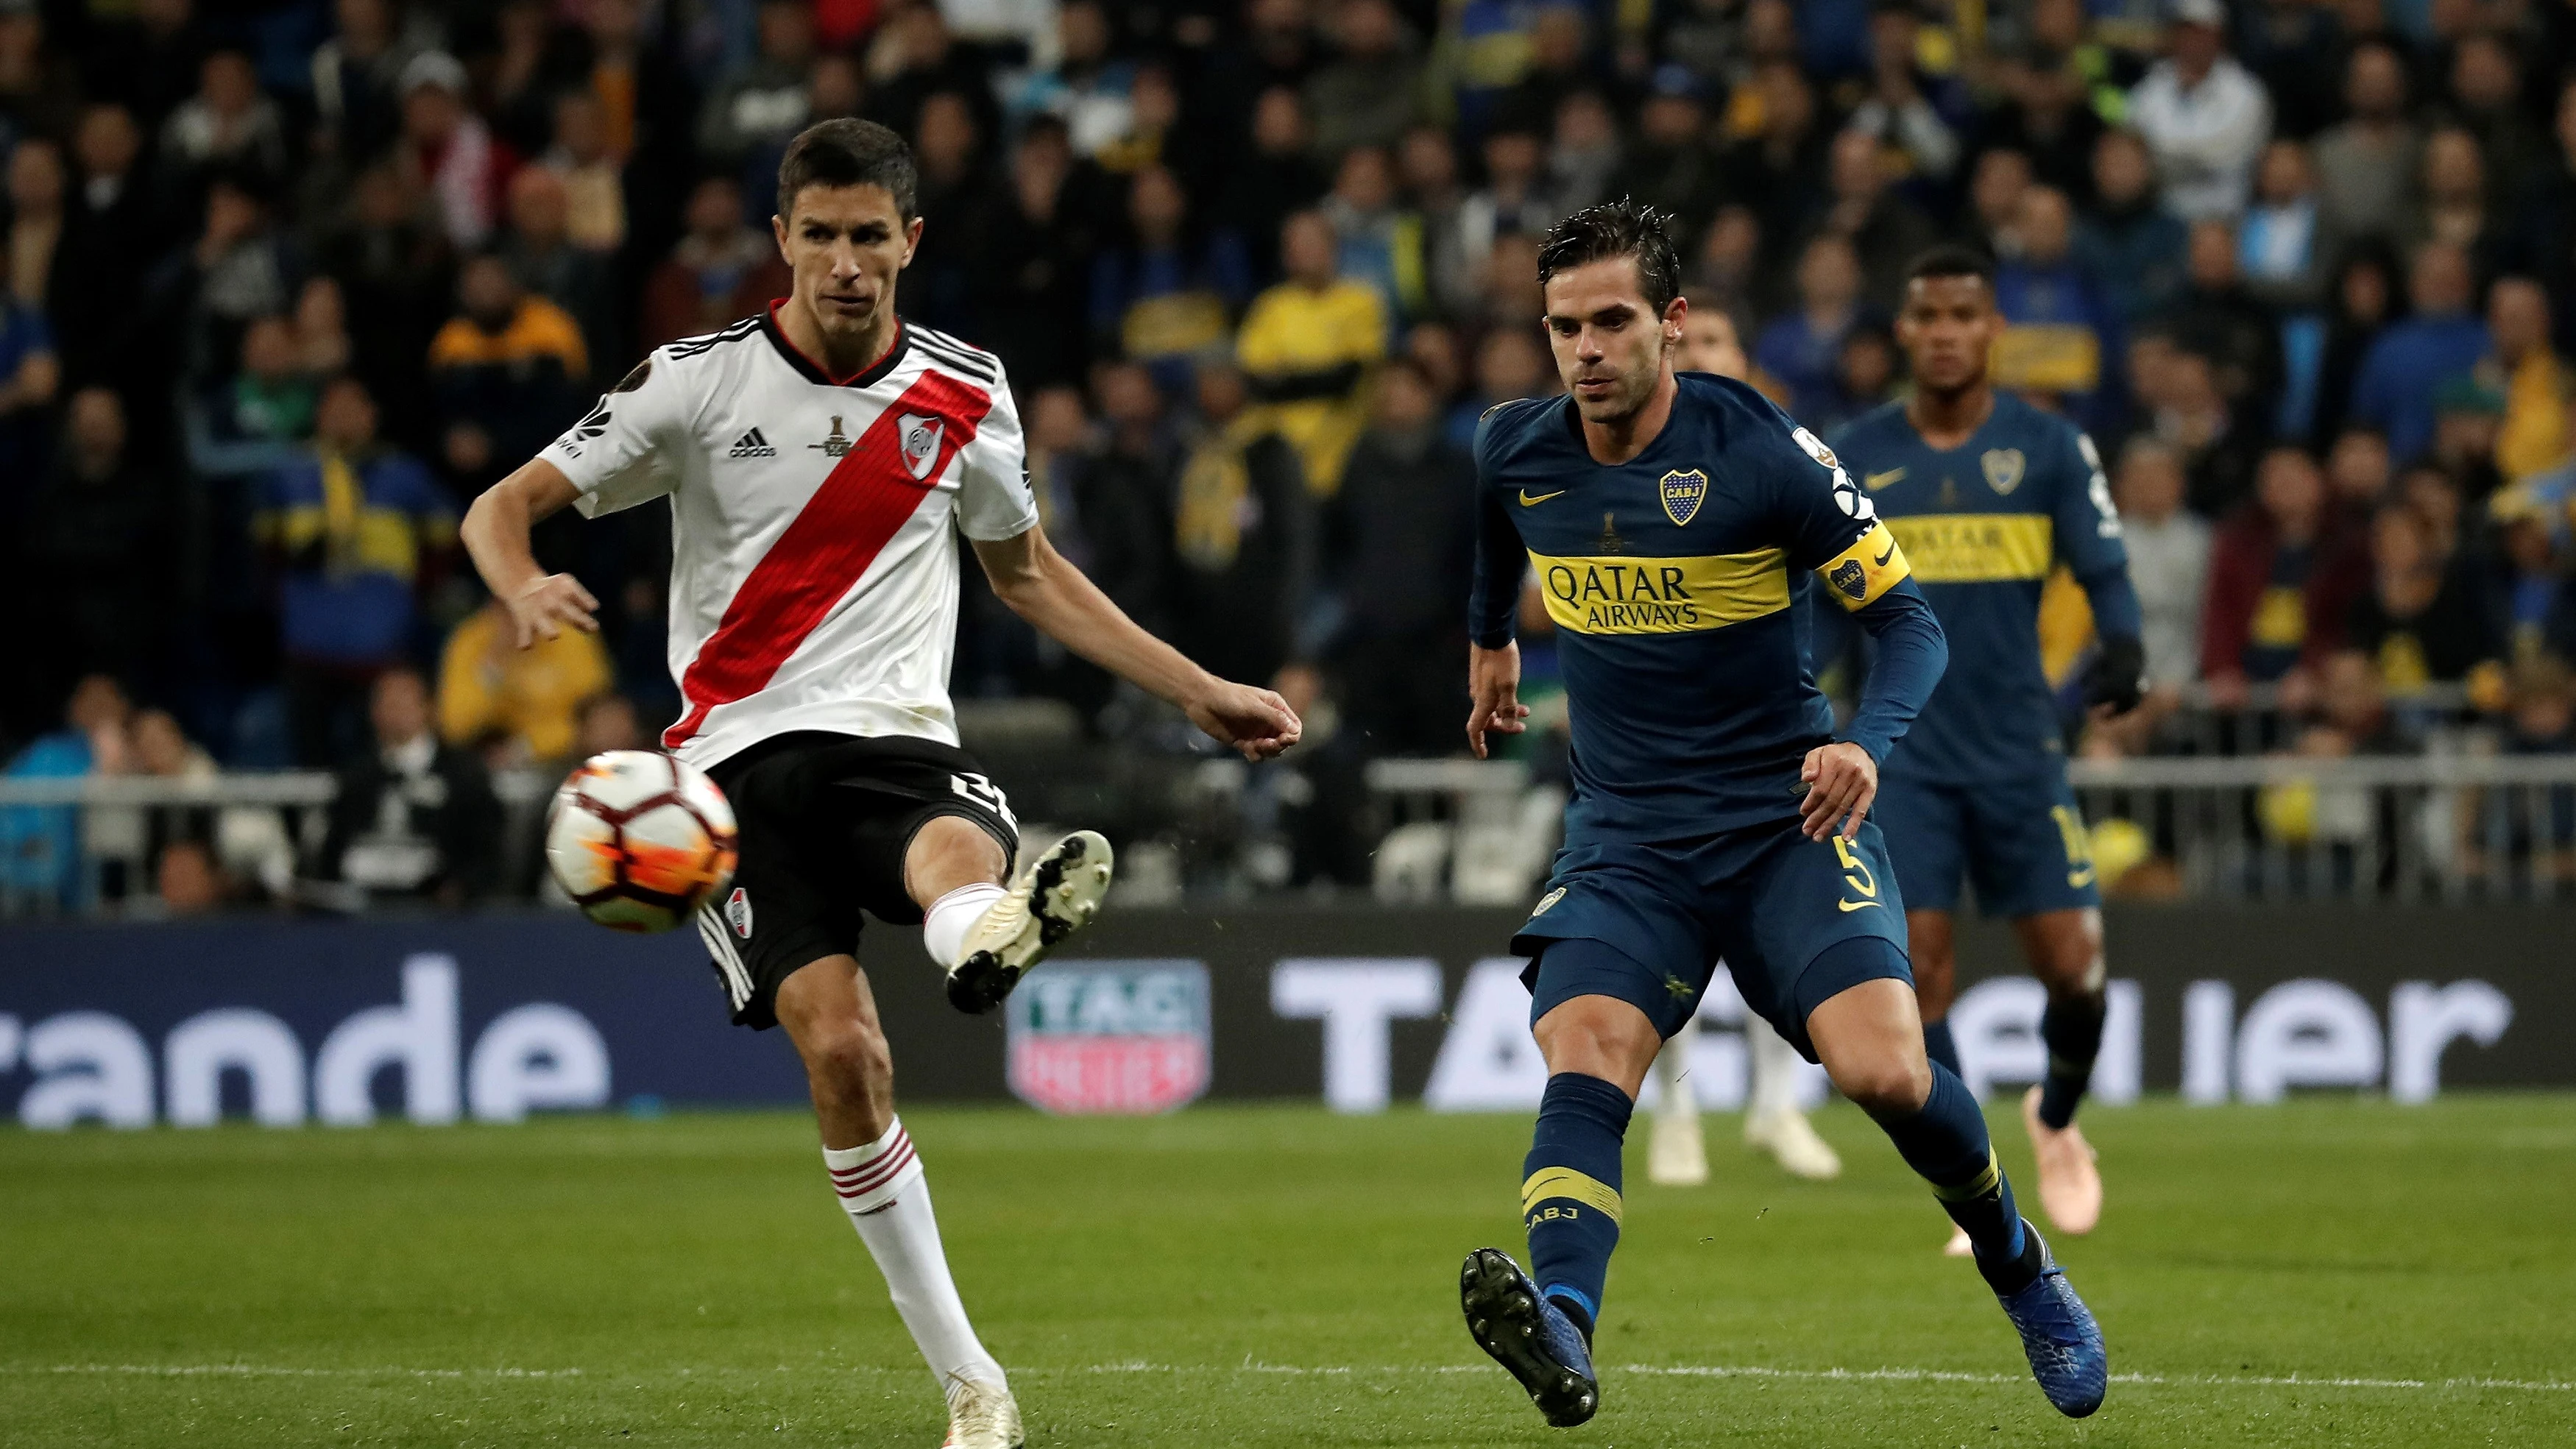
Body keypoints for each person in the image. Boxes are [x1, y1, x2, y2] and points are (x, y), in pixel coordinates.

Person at [456, 119, 1299, 1449]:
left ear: (912, 240)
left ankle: (992, 930)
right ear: (780, 238)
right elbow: (499, 506)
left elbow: (1026, 574)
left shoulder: (968, 387)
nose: (846, 262)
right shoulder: (693, 382)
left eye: (870, 237)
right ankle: (975, 1378)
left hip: (893, 735)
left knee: (948, 856)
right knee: (847, 1056)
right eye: (821, 235)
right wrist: (519, 583)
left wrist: (1197, 688)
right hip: (722, 780)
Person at [1457, 199, 2103, 1429]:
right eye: (1562, 327)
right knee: (1584, 1046)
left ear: (1674, 324)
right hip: (1630, 832)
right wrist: (1490, 641)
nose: (1585, 349)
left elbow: (1911, 622)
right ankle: (1563, 1326)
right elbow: (1497, 537)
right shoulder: (1513, 446)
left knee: (1887, 1070)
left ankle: (2021, 1266)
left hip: (1785, 819)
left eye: (1611, 321)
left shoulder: (1763, 454)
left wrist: (1866, 742)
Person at [1830, 246, 2145, 1256]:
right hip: (1904, 754)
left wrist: (2125, 643)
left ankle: (2054, 1118)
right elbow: (1807, 594)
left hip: (2019, 748)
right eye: (1930, 315)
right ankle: (1986, 1185)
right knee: (1919, 974)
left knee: (2077, 971)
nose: (1949, 331)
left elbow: (2105, 566)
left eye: (1967, 313)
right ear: (1906, 332)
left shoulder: (2049, 448)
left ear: (1992, 328)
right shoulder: (1853, 454)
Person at [1643, 297, 1841, 1188]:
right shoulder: (1614, 452)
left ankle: (1774, 1108)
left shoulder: (1784, 457)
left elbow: (1847, 583)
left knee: (1772, 937)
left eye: (1721, 339)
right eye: (1692, 342)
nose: (1703, 353)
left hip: (1764, 743)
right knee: (1660, 942)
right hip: (1651, 744)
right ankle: (1674, 1117)